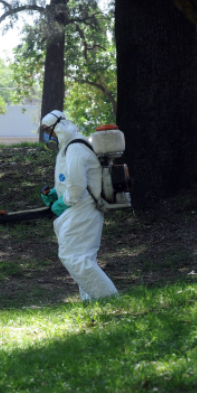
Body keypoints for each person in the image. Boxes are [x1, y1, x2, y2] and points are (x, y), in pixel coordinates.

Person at [40, 110, 118, 301]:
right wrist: (55, 195)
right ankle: (91, 302)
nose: (47, 136)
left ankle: (109, 300)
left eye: (48, 131)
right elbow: (70, 182)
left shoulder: (75, 148)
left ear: (58, 128)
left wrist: (62, 202)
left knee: (74, 257)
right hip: (79, 209)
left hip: (83, 210)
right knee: (82, 258)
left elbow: (76, 187)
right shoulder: (69, 147)